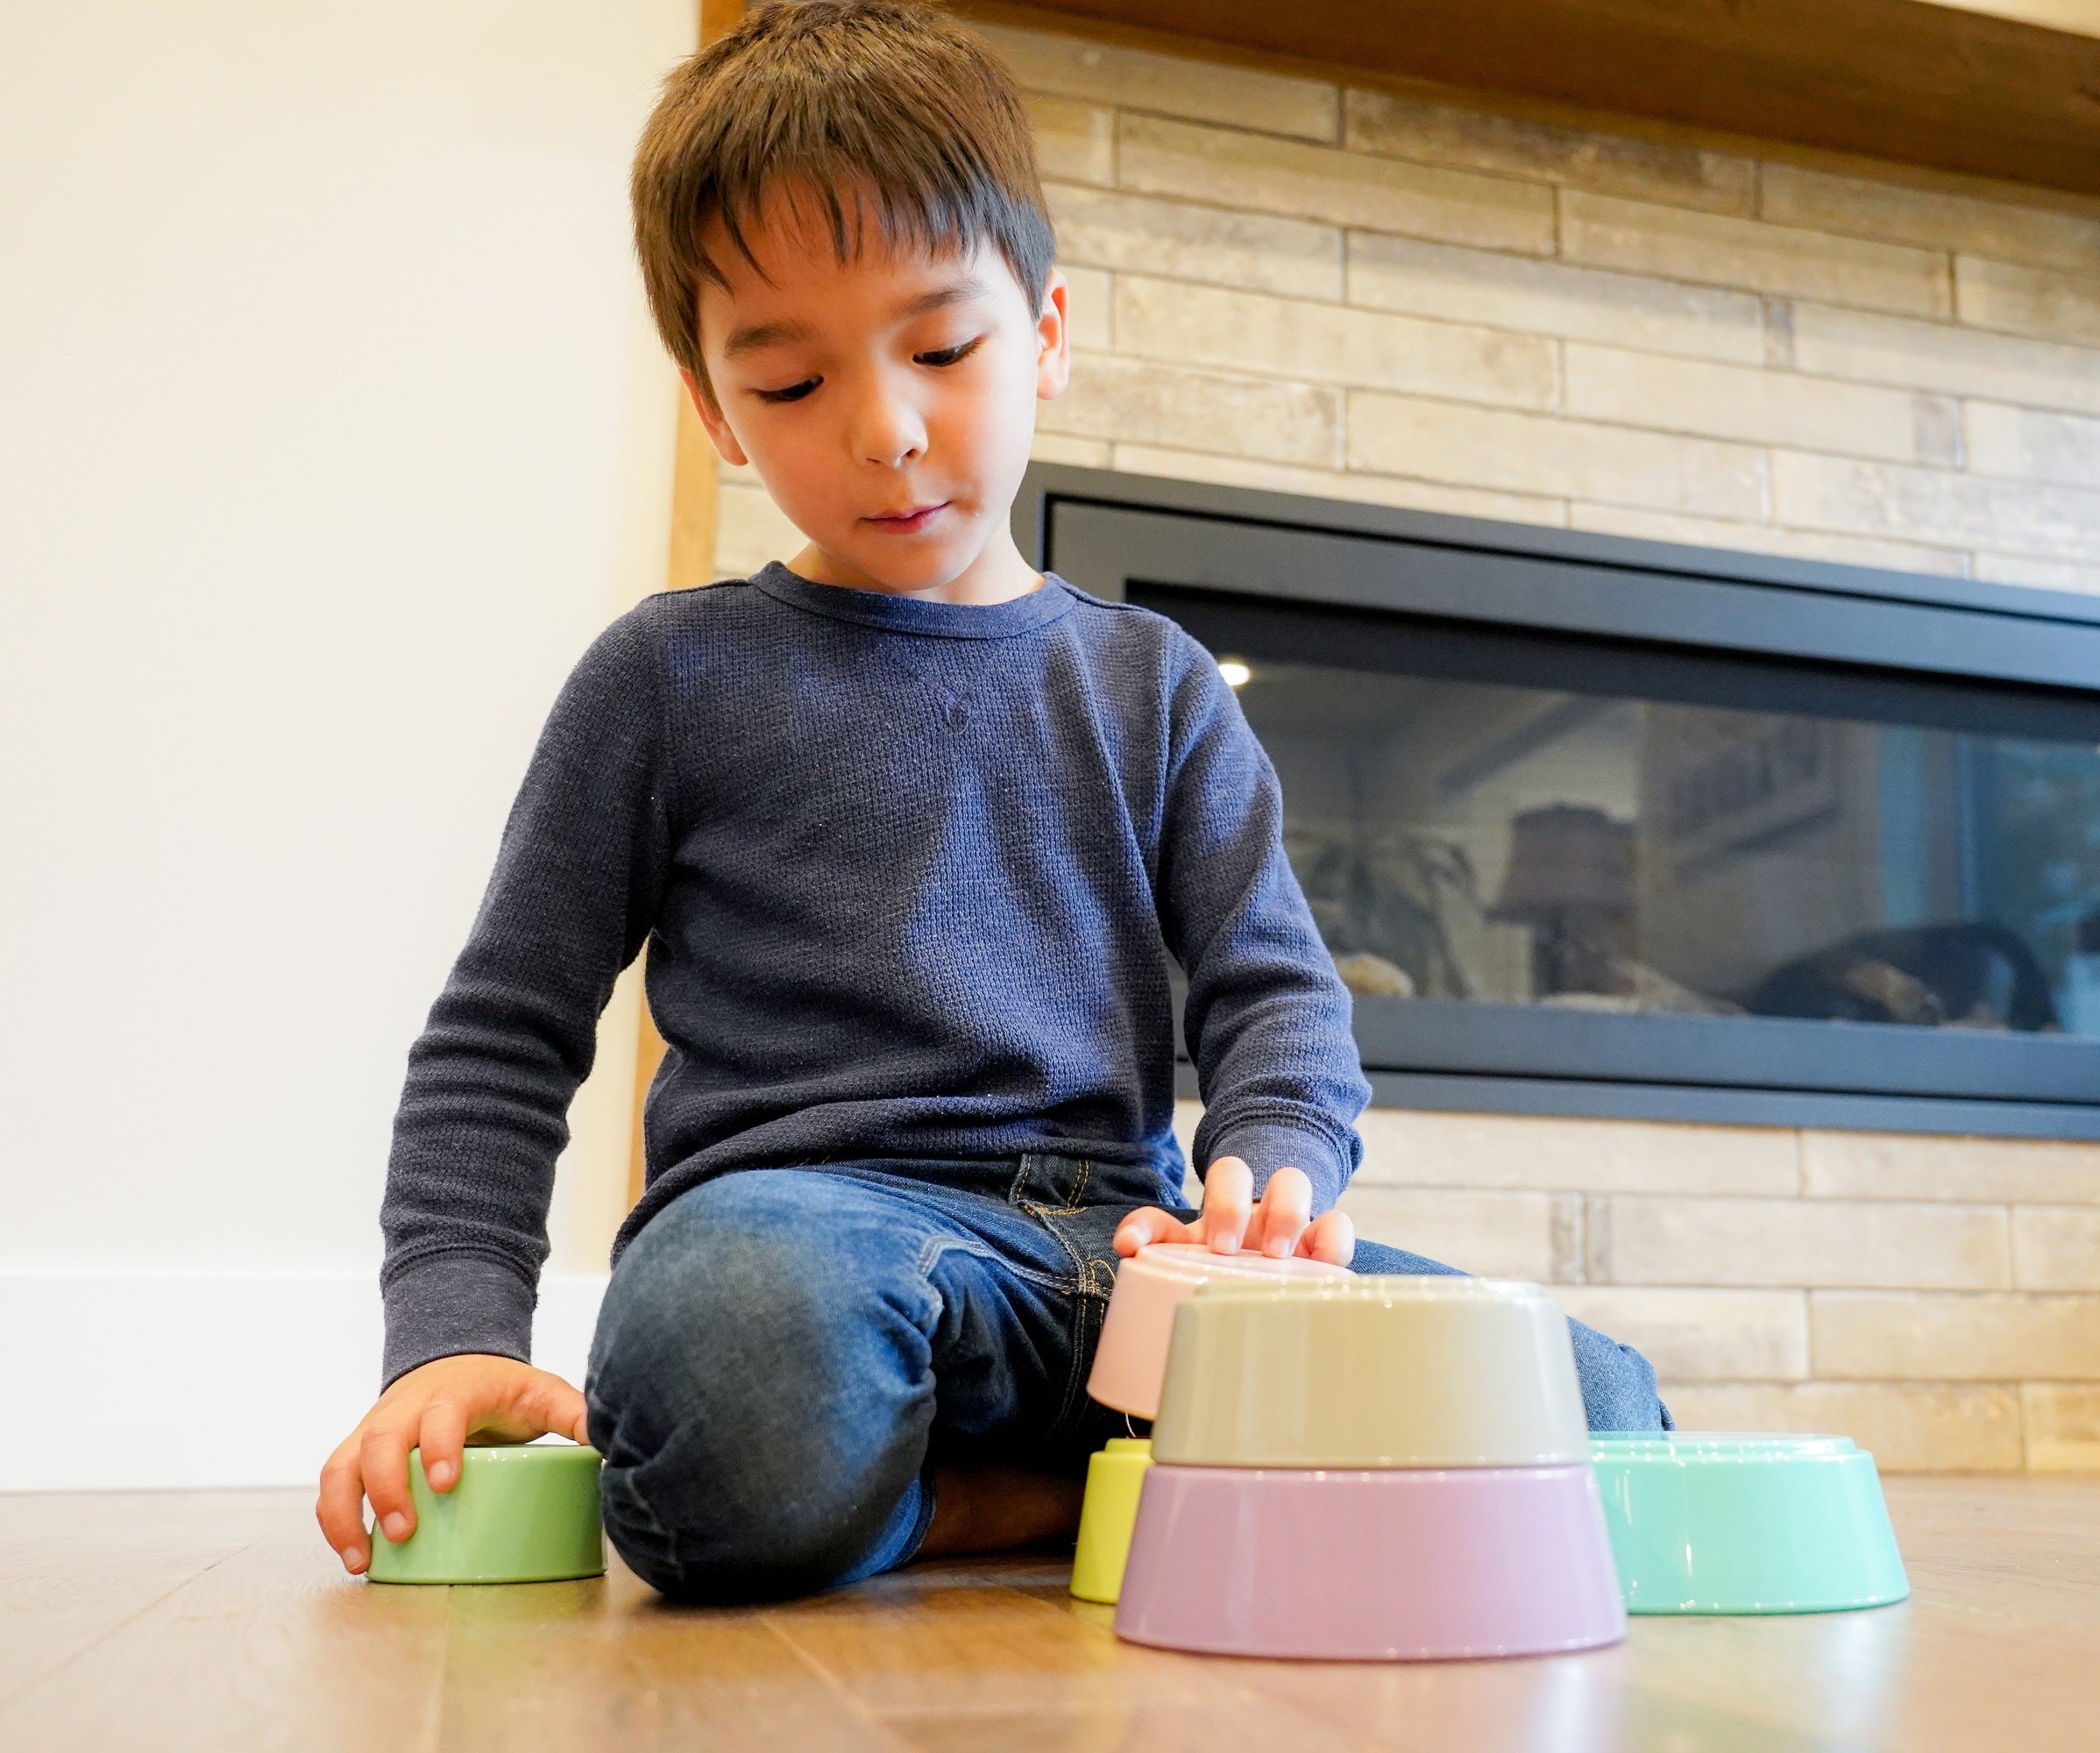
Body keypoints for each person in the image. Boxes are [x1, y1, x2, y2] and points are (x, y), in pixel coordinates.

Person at [314, 0, 1670, 1603]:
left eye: (941, 349)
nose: (884, 429)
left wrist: (1276, 1169)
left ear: (1046, 331)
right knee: (729, 1376)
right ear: (712, 407)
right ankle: (1065, 1503)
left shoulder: (1154, 682)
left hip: (1135, 1256)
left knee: (1597, 1405)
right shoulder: (669, 677)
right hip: (821, 1244)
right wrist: (450, 1337)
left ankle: (1046, 1479)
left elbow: (1276, 991)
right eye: (793, 382)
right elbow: (501, 1035)